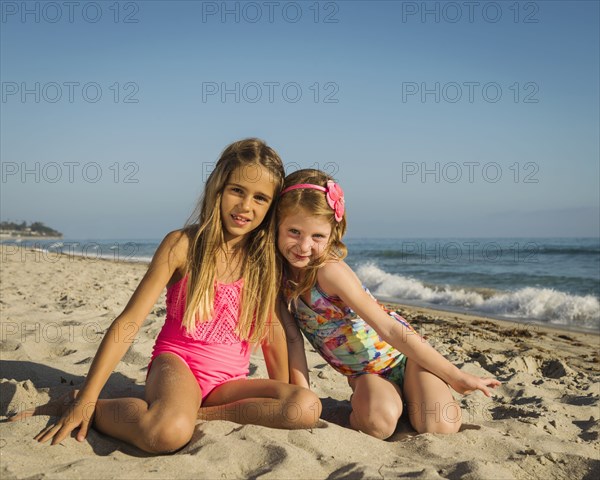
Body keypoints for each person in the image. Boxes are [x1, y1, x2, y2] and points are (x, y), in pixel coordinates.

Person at [10, 139, 321, 453]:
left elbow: (273, 333)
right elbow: (129, 322)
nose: (245, 206)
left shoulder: (264, 260)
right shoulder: (182, 245)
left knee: (305, 406)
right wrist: (88, 396)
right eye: (236, 190)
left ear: (270, 207)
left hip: (227, 384)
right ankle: (90, 406)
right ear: (217, 187)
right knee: (166, 433)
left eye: (260, 198)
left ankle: (195, 414)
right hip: (177, 366)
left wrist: (281, 394)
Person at [276, 169, 500, 440]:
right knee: (377, 425)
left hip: (408, 358)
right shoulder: (279, 280)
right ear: (277, 224)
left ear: (333, 234)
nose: (304, 246)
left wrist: (456, 376)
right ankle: (388, 405)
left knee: (439, 427)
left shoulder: (329, 272)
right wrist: (306, 400)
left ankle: (420, 392)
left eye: (317, 236)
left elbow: (390, 329)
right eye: (294, 231)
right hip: (368, 375)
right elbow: (292, 340)